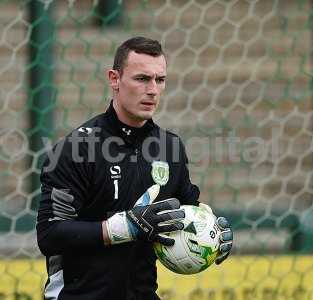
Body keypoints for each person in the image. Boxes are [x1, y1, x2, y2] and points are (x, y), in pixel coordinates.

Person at [36, 36, 233, 300]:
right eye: (142, 79)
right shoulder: (76, 149)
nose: (152, 89)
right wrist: (122, 228)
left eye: (160, 80)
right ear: (114, 79)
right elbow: (50, 235)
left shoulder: (169, 148)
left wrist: (213, 233)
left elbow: (189, 210)